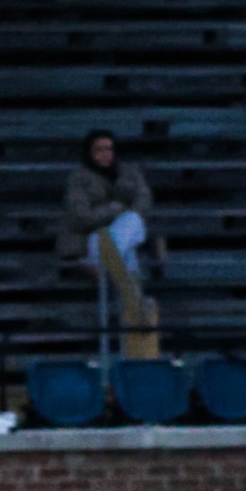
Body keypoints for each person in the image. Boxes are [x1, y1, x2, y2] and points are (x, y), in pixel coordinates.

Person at [58, 129, 160, 358]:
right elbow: (82, 216)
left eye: (109, 149)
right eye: (99, 150)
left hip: (120, 241)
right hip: (92, 239)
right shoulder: (79, 179)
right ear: (89, 153)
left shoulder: (129, 174)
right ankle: (133, 293)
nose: (105, 154)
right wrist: (114, 210)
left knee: (133, 222)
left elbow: (145, 199)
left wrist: (124, 215)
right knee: (125, 231)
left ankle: (118, 272)